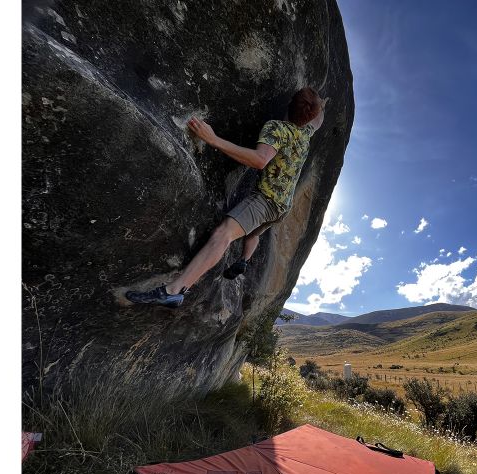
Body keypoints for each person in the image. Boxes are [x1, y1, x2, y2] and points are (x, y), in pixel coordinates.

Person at [126, 87, 327, 308]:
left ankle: (174, 291)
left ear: (290, 104)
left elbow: (260, 160)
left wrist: (213, 140)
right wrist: (321, 104)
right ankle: (244, 260)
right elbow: (316, 123)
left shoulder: (277, 129)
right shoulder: (305, 135)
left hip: (265, 200)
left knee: (223, 234)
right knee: (252, 234)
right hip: (280, 208)